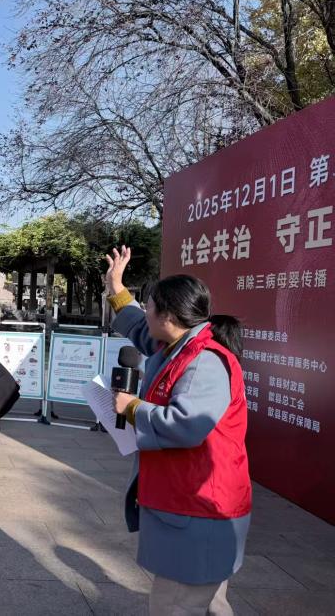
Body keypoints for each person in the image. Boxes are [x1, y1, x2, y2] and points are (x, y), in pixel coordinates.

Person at [105, 246, 251, 616]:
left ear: (168, 316)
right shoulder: (178, 344)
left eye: (149, 306)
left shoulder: (203, 361)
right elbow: (140, 329)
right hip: (194, 502)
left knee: (174, 605)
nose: (145, 311)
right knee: (208, 600)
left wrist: (132, 407)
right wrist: (116, 287)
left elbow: (186, 425)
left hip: (200, 506)